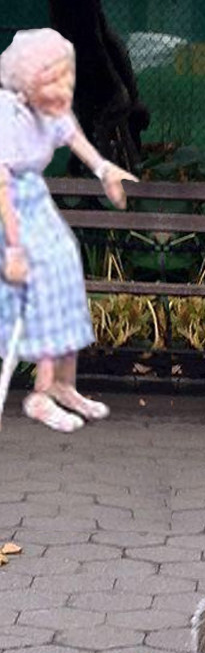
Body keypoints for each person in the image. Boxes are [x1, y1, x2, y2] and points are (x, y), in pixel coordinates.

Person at [0, 28, 137, 432]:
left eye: (66, 77)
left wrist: (104, 170)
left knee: (66, 268)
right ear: (28, 81)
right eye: (53, 79)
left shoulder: (52, 109)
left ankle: (64, 384)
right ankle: (40, 393)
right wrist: (15, 249)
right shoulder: (9, 115)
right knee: (41, 283)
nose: (64, 88)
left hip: (35, 202)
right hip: (10, 209)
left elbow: (74, 136)